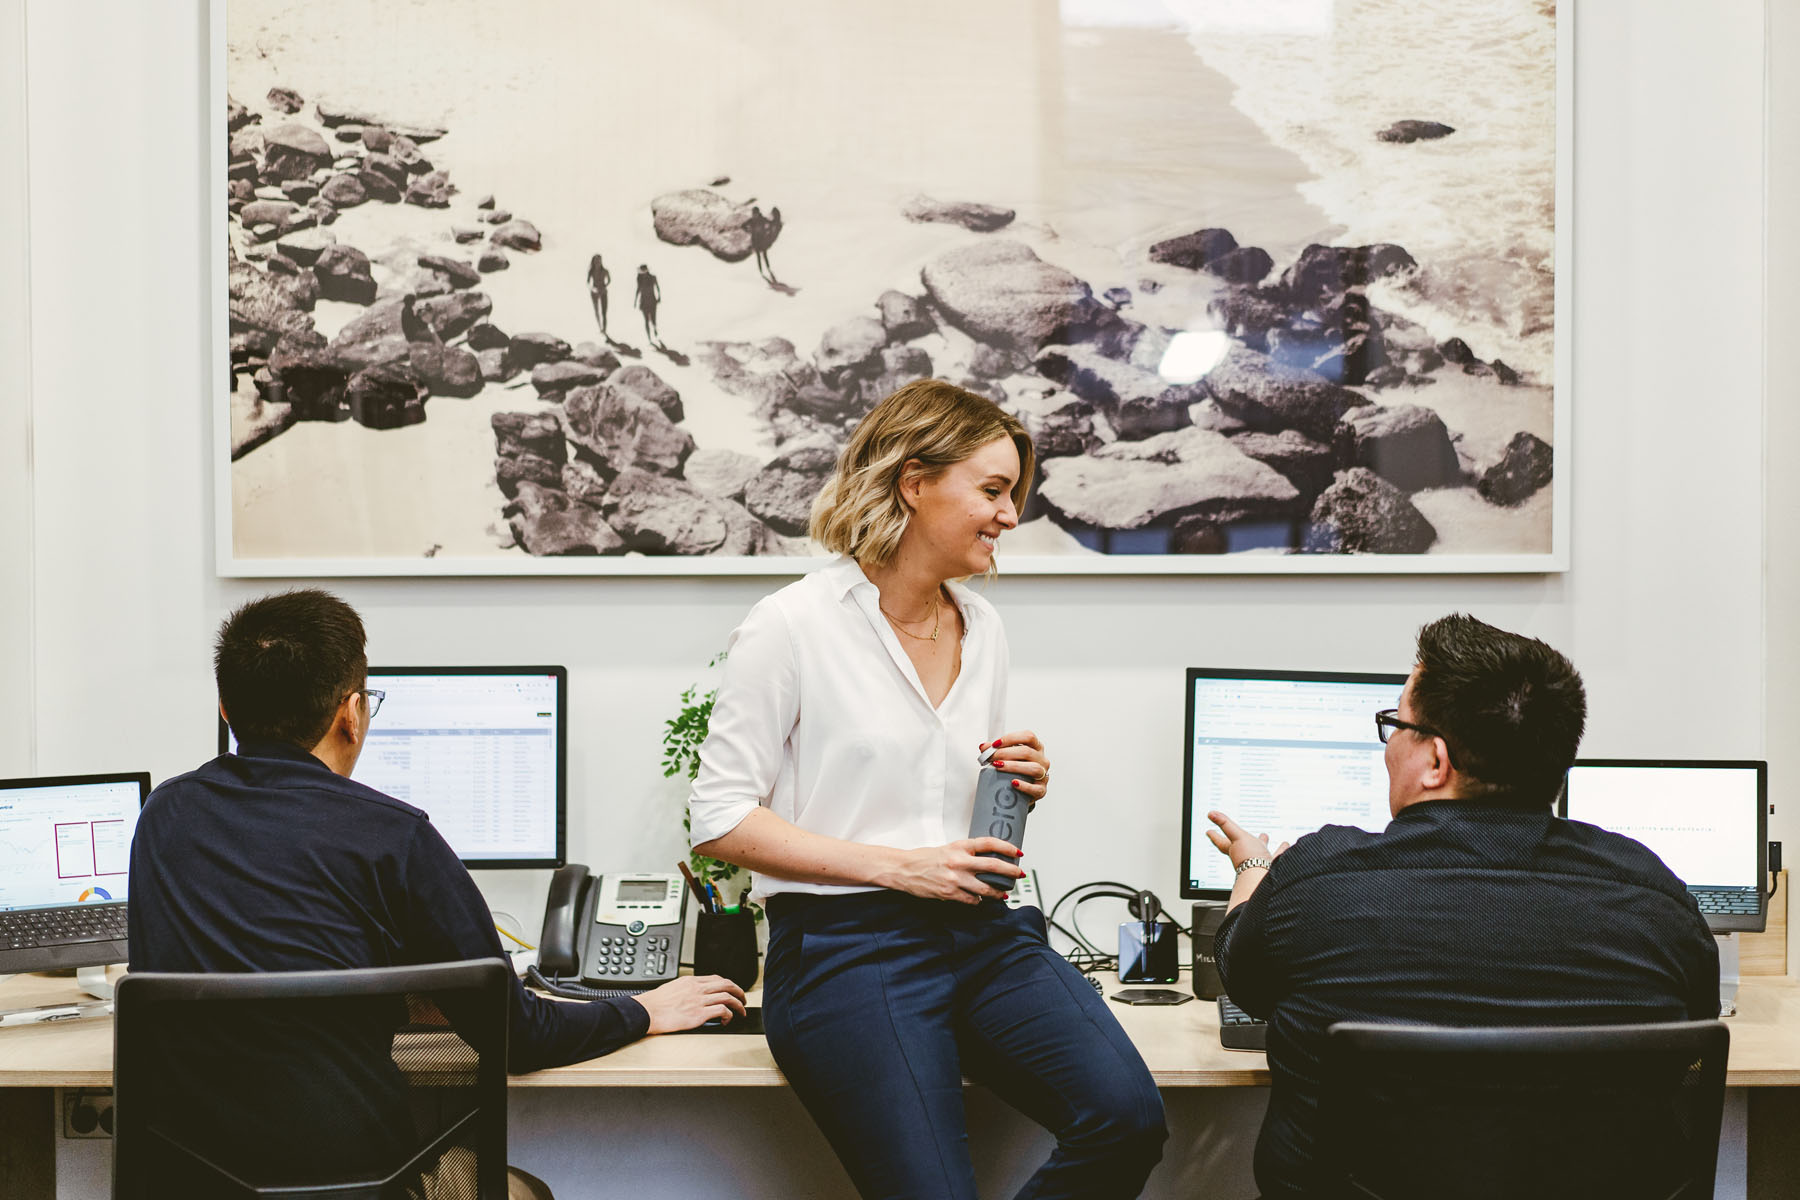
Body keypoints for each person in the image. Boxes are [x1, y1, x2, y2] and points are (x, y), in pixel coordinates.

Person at [689, 380, 1167, 1200]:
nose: (1010, 516)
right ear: (914, 482)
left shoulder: (984, 628)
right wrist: (900, 868)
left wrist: (1021, 784)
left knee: (1129, 1120)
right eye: (993, 491)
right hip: (845, 948)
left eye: (1012, 495)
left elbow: (945, 801)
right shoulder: (791, 625)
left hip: (985, 936)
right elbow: (719, 819)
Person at [129, 589, 746, 1198]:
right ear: (352, 711)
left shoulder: (163, 816)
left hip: (194, 1179)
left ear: (225, 710)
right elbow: (519, 1037)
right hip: (364, 1184)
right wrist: (645, 1010)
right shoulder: (394, 835)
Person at [1205, 613, 1720, 1198]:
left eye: (1395, 724)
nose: (1389, 745)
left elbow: (1240, 975)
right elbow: (1691, 1040)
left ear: (1435, 762)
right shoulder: (1655, 896)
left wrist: (1254, 869)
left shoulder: (1317, 881)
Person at [745, 205, 782, 284]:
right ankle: (761, 270)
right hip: (755, 241)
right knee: (758, 255)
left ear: (758, 213)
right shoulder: (751, 220)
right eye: (753, 213)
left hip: (762, 240)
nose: (754, 215)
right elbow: (743, 226)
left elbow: (770, 223)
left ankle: (768, 268)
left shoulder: (762, 219)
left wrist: (770, 228)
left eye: (755, 213)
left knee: (764, 255)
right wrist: (749, 230)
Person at [634, 264, 660, 345]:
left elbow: (657, 287)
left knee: (653, 319)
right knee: (646, 320)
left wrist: (659, 297)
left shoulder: (653, 278)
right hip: (644, 301)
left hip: (652, 300)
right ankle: (649, 338)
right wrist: (635, 300)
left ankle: (654, 328)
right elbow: (638, 289)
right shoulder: (639, 279)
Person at [586, 253, 610, 339]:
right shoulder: (591, 271)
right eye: (596, 261)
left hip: (603, 292)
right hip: (594, 293)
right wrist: (593, 288)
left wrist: (604, 286)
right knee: (597, 311)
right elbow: (588, 282)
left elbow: (609, 280)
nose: (598, 263)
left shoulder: (605, 271)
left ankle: (604, 329)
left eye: (599, 261)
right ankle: (600, 327)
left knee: (604, 311)